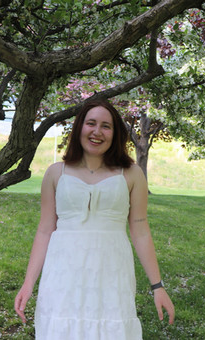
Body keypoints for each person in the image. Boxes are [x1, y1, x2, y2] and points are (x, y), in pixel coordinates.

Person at [14, 100, 175, 339]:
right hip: (62, 273)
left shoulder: (131, 174)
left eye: (106, 126)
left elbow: (140, 231)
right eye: (91, 123)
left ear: (115, 133)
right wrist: (28, 283)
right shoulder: (55, 173)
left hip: (111, 272)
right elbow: (45, 230)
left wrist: (157, 286)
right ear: (80, 128)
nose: (97, 132)